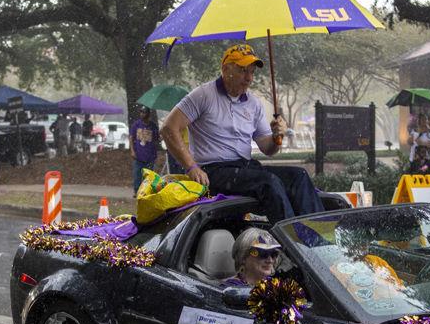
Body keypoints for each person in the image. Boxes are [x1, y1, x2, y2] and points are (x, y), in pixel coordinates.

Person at [160, 44, 324, 223]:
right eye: (243, 71)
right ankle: (294, 241)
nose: (249, 78)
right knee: (268, 182)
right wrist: (191, 167)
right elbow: (169, 128)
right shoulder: (203, 95)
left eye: (252, 72)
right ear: (225, 69)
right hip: (214, 171)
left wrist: (277, 137)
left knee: (298, 176)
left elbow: (266, 148)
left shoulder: (253, 103)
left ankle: (319, 238)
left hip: (245, 168)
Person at [130, 105, 160, 192]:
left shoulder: (153, 126)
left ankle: (146, 191)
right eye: (141, 112)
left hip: (150, 156)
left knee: (148, 176)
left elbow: (157, 139)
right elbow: (131, 138)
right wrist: (132, 150)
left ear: (148, 114)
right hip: (138, 155)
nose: (142, 114)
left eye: (144, 112)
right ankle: (137, 191)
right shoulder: (136, 124)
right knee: (137, 175)